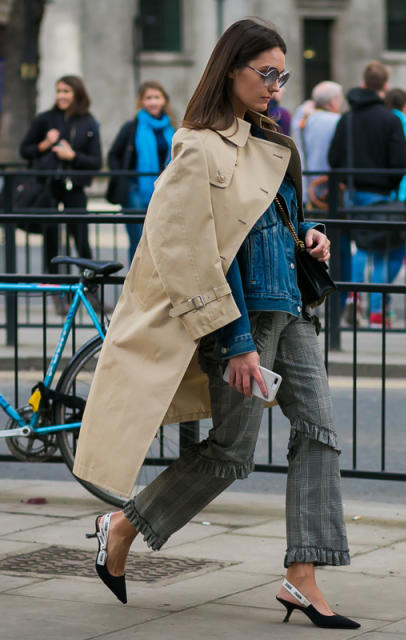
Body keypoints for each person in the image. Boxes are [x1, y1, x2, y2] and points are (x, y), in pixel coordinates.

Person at [70, 18, 359, 630]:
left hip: (292, 308)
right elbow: (186, 250)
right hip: (243, 320)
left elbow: (273, 222)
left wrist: (310, 239)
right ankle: (123, 524)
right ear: (231, 69)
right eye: (266, 73)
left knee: (321, 433)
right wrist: (232, 343)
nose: (276, 85)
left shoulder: (277, 143)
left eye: (283, 74)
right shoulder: (196, 145)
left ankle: (302, 575)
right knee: (232, 453)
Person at [328, 61, 406, 325]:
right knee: (382, 251)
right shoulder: (391, 120)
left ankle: (353, 300)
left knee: (360, 249)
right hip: (382, 195)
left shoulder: (347, 119)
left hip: (353, 194)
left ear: (364, 84)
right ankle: (377, 310)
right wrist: (392, 185)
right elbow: (400, 162)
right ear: (385, 87)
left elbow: (334, 157)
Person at [19, 75, 102, 275]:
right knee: (51, 237)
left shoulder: (88, 122)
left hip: (74, 187)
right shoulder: (45, 118)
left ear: (77, 94)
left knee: (81, 238)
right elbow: (24, 150)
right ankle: (55, 285)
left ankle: (88, 286)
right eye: (58, 91)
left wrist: (72, 156)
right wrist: (45, 144)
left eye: (66, 91)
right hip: (48, 186)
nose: (61, 96)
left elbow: (96, 161)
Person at [107, 80, 176, 263]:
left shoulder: (172, 129)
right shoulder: (131, 128)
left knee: (162, 242)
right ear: (141, 102)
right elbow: (113, 155)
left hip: (164, 192)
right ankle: (135, 287)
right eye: (148, 98)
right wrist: (125, 180)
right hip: (136, 192)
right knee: (138, 242)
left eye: (157, 97)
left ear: (164, 100)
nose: (153, 102)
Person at [295, 81, 343, 209]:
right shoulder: (336, 120)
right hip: (329, 184)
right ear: (333, 102)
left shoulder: (303, 119)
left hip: (307, 182)